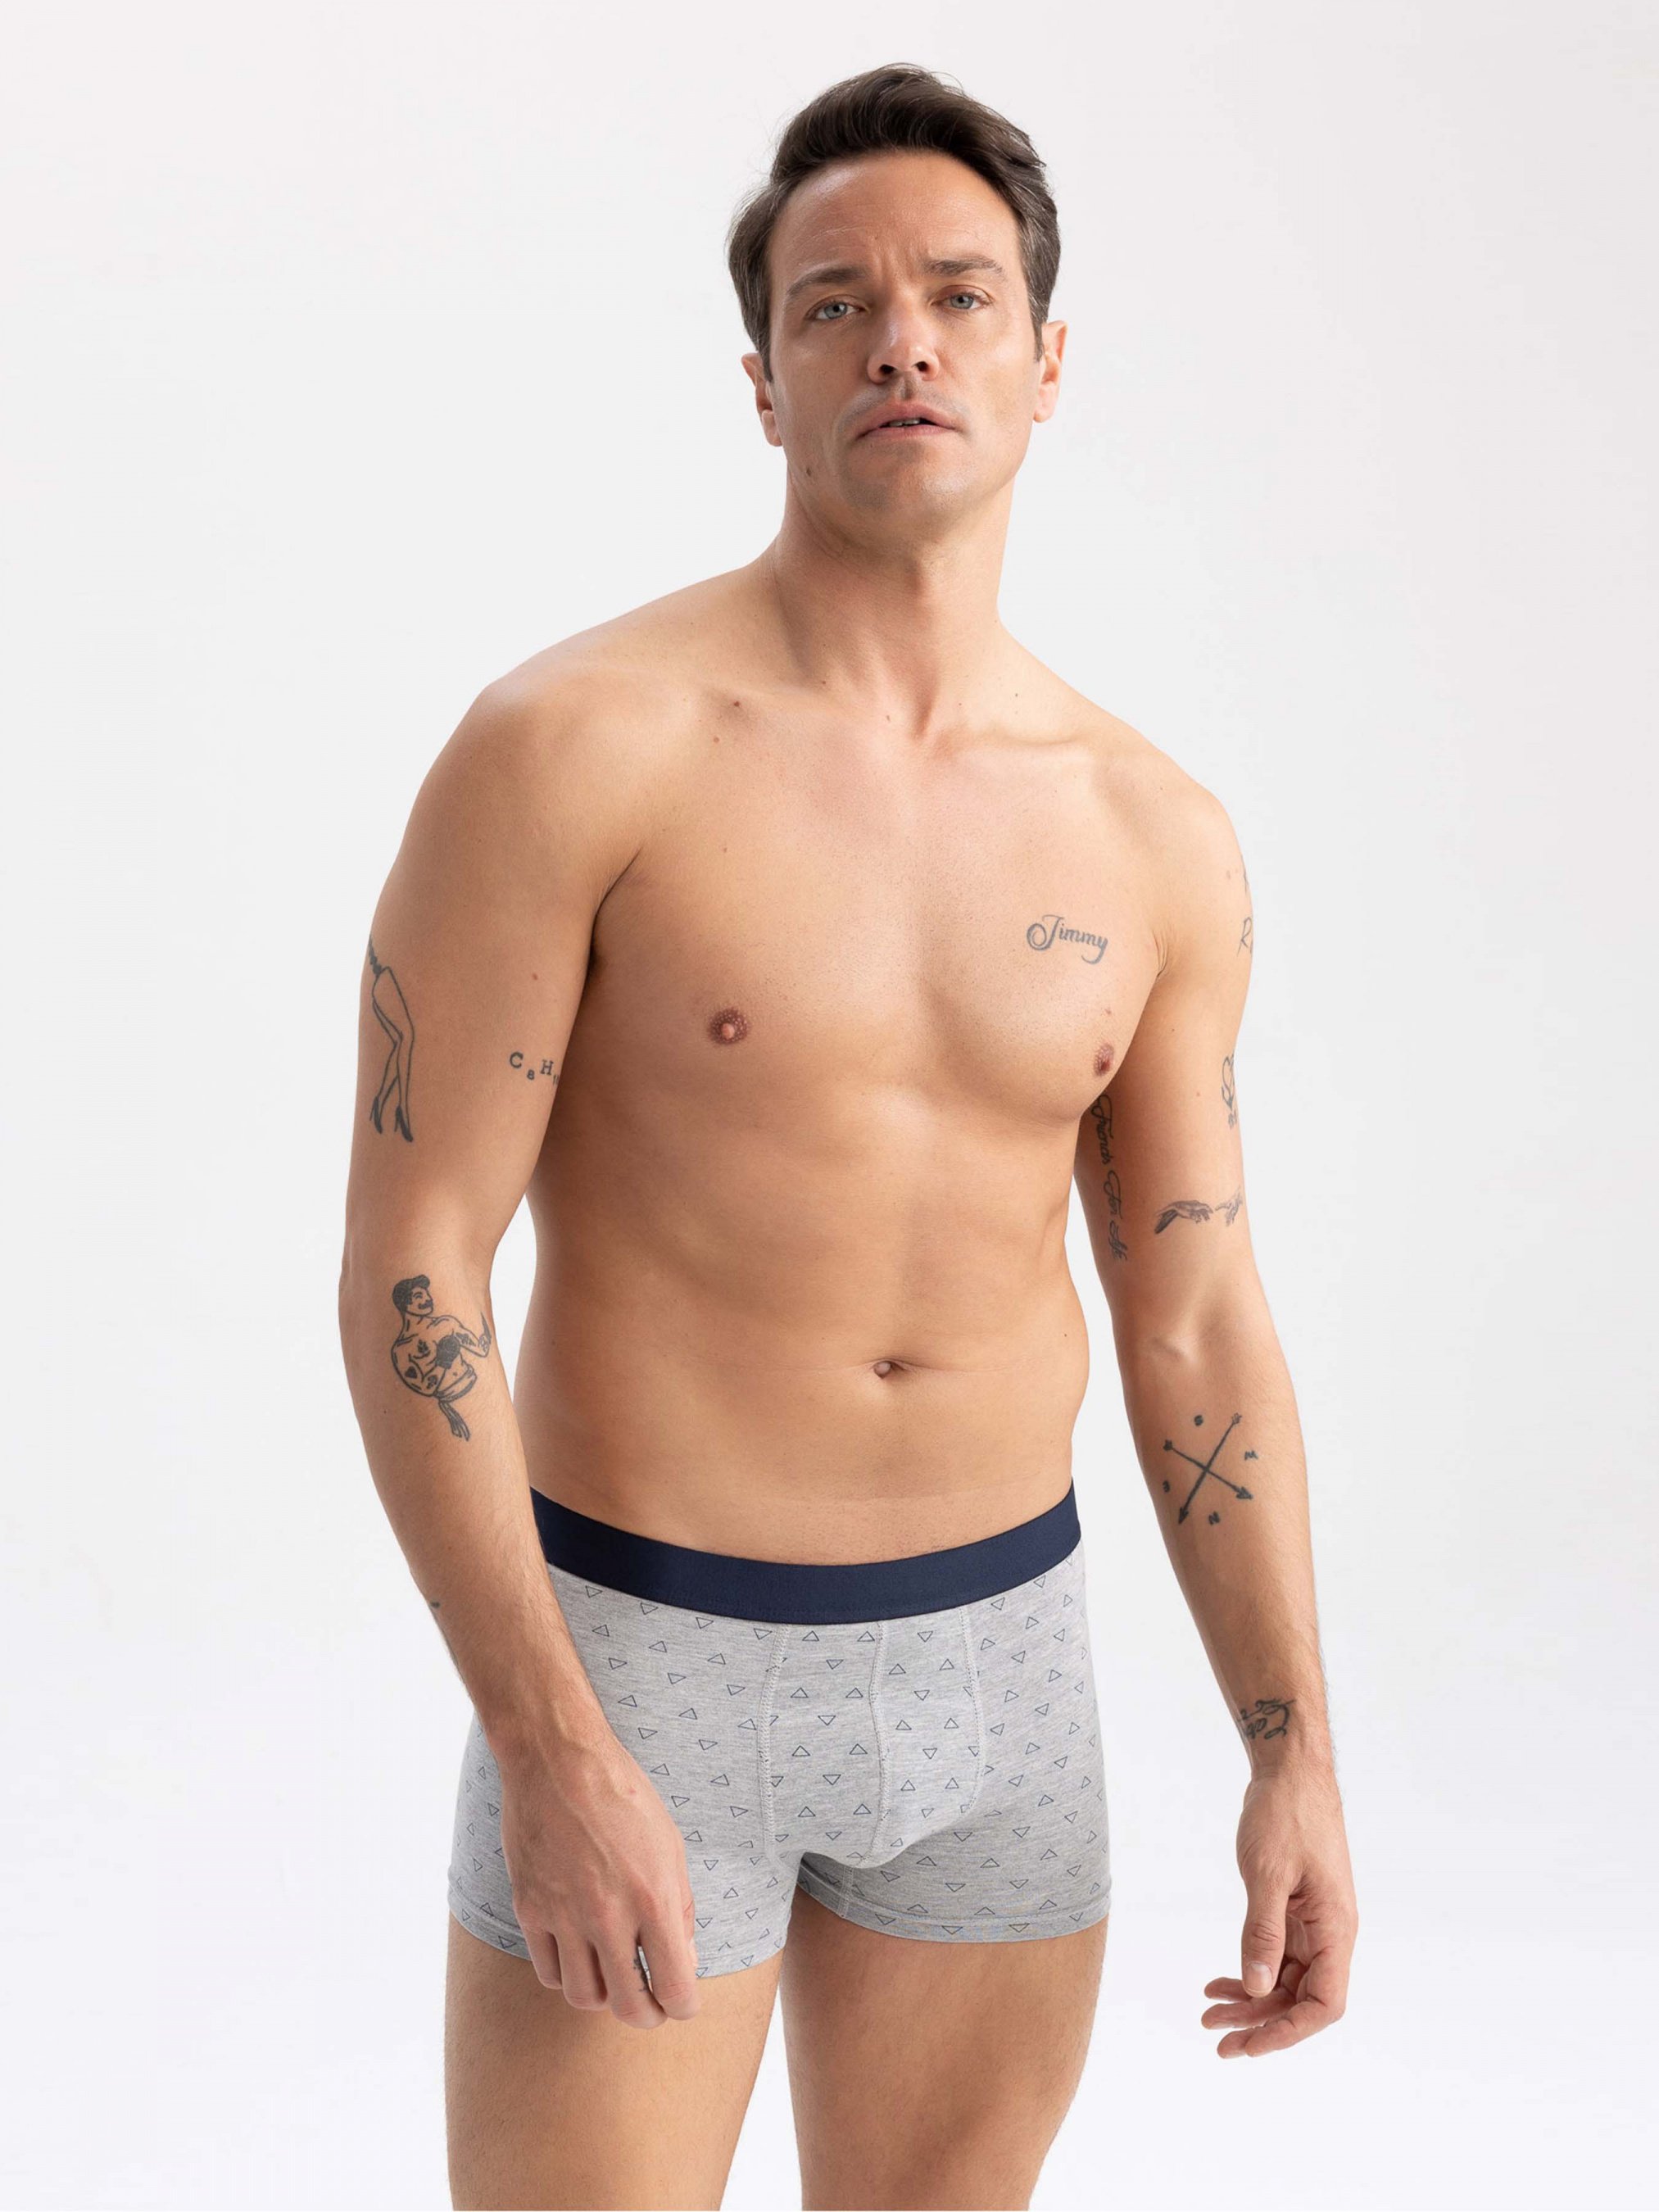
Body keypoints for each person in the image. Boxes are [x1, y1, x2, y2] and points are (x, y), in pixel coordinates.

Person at [338, 60, 1358, 2212]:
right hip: (641, 1656)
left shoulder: (1152, 835)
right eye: (836, 304)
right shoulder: (574, 750)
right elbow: (413, 1261)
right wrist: (544, 1735)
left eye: (960, 295)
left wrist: (1292, 1748)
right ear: (765, 382)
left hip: (1001, 1668)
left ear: (1044, 360)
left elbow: (1191, 1314)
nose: (903, 339)